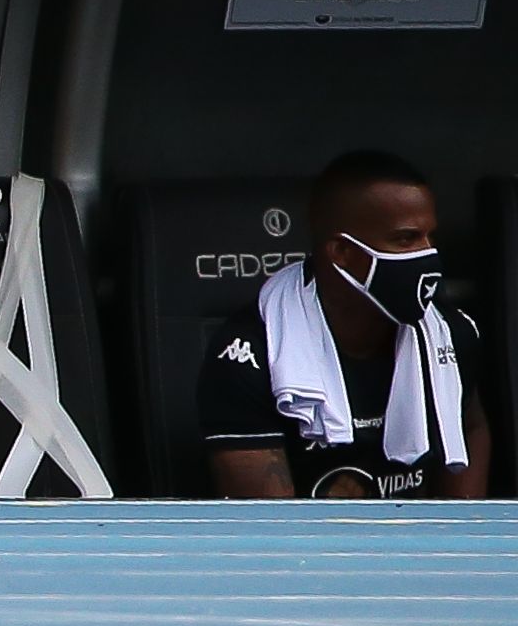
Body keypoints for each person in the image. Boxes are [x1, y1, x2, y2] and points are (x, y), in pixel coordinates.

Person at [203, 149, 488, 499]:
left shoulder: (448, 331)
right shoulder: (252, 355)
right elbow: (273, 534)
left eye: (430, 238)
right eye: (406, 239)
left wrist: (456, 537)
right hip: (312, 549)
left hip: (424, 546)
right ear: (342, 252)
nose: (427, 255)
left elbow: (470, 426)